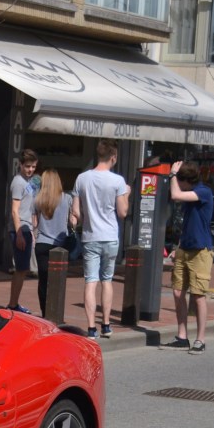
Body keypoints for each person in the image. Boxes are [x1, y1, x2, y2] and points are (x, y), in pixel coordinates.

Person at [71, 141, 129, 340]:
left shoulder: (82, 178)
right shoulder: (118, 181)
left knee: (90, 281)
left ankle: (90, 328)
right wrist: (127, 194)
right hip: (110, 236)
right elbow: (122, 212)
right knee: (107, 280)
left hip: (90, 236)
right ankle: (105, 323)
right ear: (113, 157)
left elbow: (76, 212)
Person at [163, 161, 214, 353]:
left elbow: (175, 195)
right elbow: (187, 224)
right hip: (185, 248)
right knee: (178, 292)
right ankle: (182, 336)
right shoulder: (190, 194)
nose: (177, 184)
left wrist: (172, 174)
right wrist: (178, 246)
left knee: (198, 295)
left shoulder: (204, 192)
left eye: (179, 181)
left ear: (186, 181)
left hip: (201, 250)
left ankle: (200, 339)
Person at [33, 169, 74, 318]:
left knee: (43, 282)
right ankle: (56, 313)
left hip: (42, 244)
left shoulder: (38, 200)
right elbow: (72, 220)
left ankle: (45, 312)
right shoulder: (67, 198)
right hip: (60, 246)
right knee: (58, 281)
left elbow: (35, 223)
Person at [7, 149, 39, 313]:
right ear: (20, 165)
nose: (30, 170)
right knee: (21, 268)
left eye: (33, 167)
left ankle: (14, 303)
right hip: (20, 228)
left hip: (27, 228)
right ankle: (13, 304)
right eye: (27, 166)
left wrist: (32, 230)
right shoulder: (18, 182)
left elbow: (31, 207)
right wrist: (19, 233)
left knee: (23, 268)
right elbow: (15, 210)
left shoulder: (31, 181)